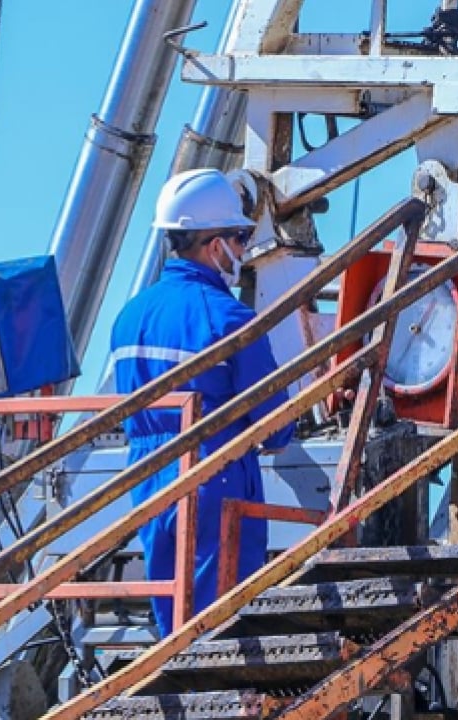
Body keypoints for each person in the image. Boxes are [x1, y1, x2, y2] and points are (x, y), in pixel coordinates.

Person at [109, 168, 295, 636]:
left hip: (147, 476)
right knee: (221, 627)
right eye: (238, 238)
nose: (242, 250)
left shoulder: (128, 318)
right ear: (214, 246)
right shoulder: (229, 319)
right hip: (215, 476)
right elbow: (276, 427)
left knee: (173, 620)